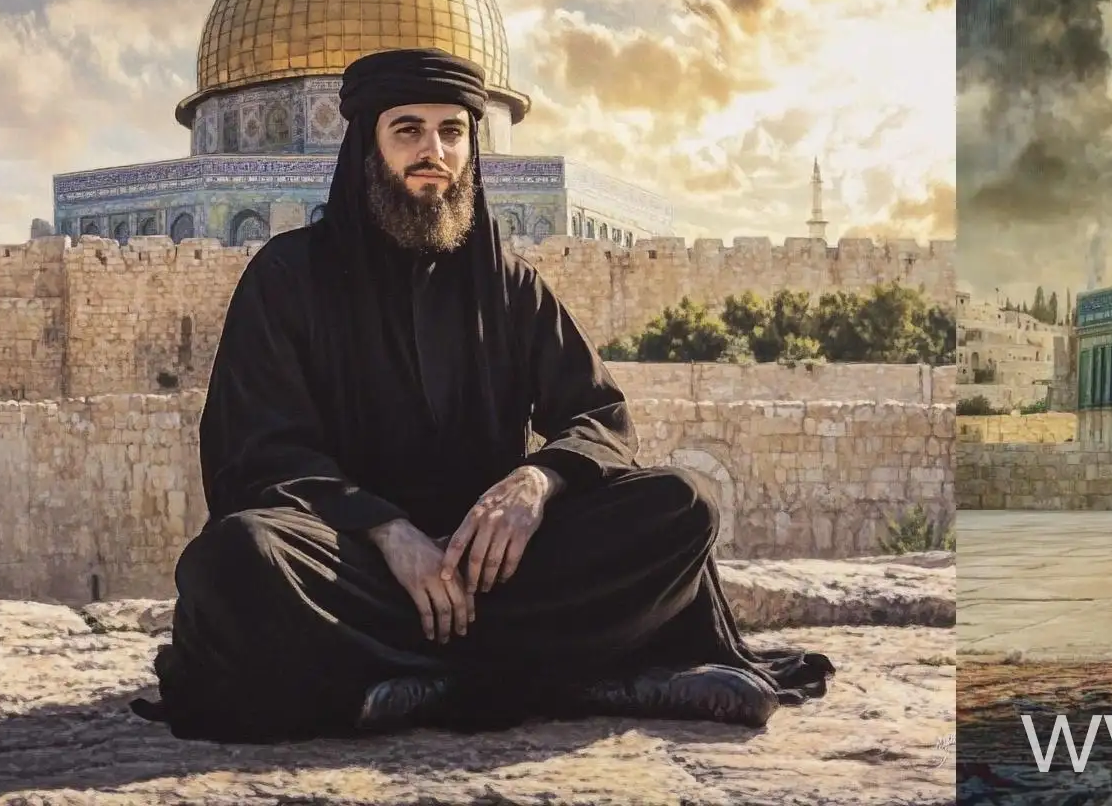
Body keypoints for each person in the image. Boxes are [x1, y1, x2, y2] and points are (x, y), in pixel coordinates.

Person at [143, 47, 830, 741]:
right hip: (356, 568)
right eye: (407, 130)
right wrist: (385, 529)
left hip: (496, 571)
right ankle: (571, 676)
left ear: (474, 145)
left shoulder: (508, 284)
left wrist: (536, 483)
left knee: (683, 505)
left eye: (452, 132)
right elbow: (256, 452)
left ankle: (407, 685)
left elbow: (599, 417)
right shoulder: (288, 278)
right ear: (366, 147)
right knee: (238, 560)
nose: (432, 152)